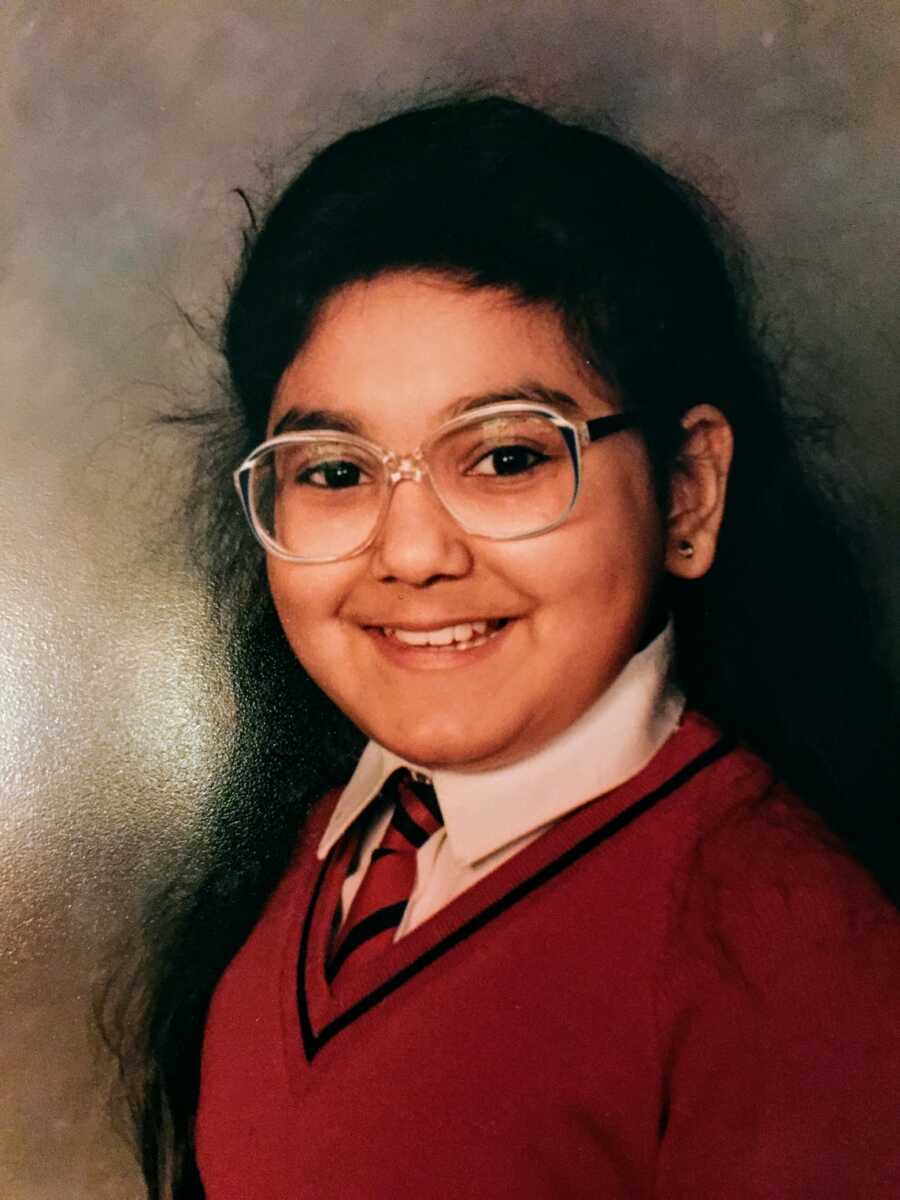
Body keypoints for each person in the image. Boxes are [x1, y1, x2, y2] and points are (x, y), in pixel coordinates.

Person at [104, 95, 899, 1199]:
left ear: (688, 492)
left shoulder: (796, 958)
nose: (413, 554)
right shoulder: (322, 853)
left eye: (509, 457)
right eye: (334, 471)